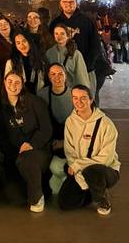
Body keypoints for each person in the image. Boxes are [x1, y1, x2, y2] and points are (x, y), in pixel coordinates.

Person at [58, 85, 120, 215]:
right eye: (75, 98)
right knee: (65, 203)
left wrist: (78, 165)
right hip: (79, 170)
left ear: (91, 100)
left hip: (104, 170)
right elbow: (69, 151)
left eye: (83, 98)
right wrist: (77, 171)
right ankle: (92, 191)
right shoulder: (70, 121)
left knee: (91, 171)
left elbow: (106, 158)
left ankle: (102, 198)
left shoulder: (106, 124)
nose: (79, 102)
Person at [0, 71, 52, 212]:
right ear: (4, 83)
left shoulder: (35, 102)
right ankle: (36, 185)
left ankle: (37, 198)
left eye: (17, 83)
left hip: (38, 152)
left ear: (22, 85)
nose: (13, 86)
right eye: (10, 82)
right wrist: (13, 152)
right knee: (16, 199)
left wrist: (31, 144)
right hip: (14, 156)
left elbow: (46, 129)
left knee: (27, 159)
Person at [49, 0, 101, 94]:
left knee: (87, 100)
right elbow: (52, 46)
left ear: (76, 3)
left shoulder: (87, 21)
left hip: (86, 69)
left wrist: (86, 66)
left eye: (71, 2)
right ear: (60, 3)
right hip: (62, 72)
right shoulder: (55, 23)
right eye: (65, 2)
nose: (68, 4)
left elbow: (95, 46)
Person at [37, 63, 73, 193]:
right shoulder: (42, 95)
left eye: (60, 74)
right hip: (50, 140)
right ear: (48, 76)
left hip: (71, 141)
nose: (57, 77)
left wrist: (64, 143)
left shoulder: (74, 95)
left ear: (66, 76)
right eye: (53, 74)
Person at [46, 24, 91, 89]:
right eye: (56, 34)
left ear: (68, 36)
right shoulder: (49, 53)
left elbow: (81, 76)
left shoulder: (76, 54)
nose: (59, 36)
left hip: (71, 91)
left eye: (62, 33)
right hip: (54, 90)